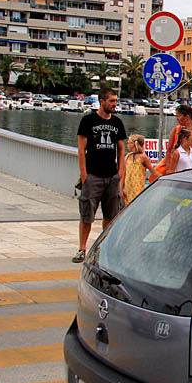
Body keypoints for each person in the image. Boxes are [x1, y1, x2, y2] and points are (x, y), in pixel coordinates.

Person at [73, 88, 126, 263]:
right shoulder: (88, 120)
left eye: (115, 101)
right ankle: (82, 248)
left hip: (112, 176)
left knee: (110, 215)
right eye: (111, 101)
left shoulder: (117, 122)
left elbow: (121, 148)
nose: (114, 104)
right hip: (93, 175)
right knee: (87, 214)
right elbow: (81, 150)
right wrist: (84, 174)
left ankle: (104, 248)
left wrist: (120, 174)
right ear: (102, 101)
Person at [122, 134, 160, 204]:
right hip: (128, 189)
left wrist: (163, 178)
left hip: (138, 189)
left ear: (134, 144)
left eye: (129, 143)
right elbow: (124, 173)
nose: (127, 145)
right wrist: (121, 189)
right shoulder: (128, 156)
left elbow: (153, 172)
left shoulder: (143, 157)